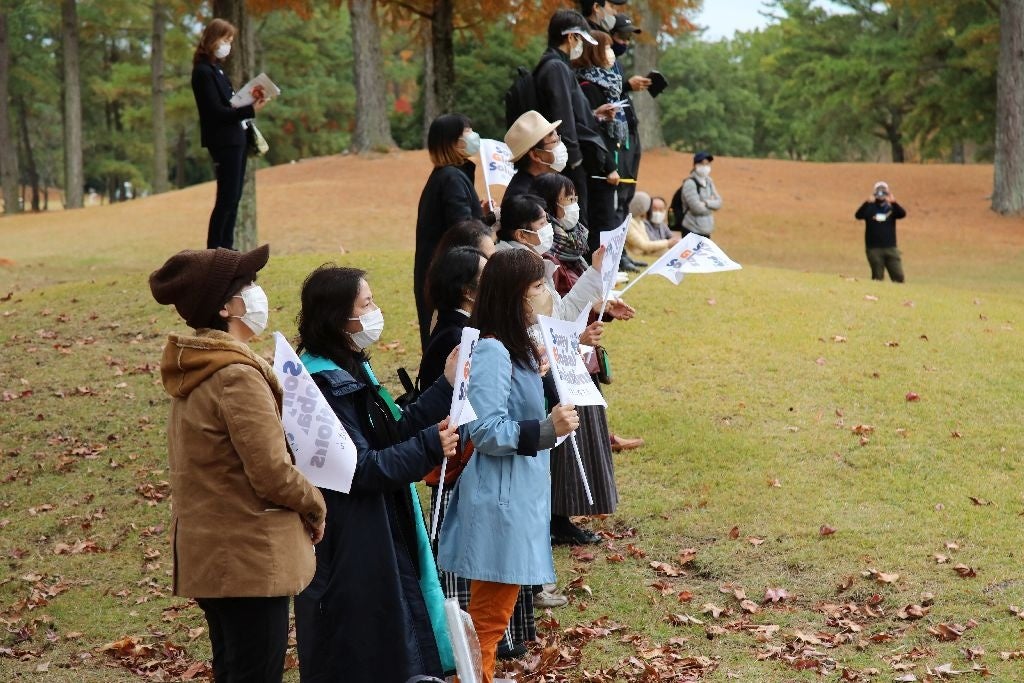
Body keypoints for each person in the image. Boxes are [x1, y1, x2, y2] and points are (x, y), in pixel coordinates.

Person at [148, 244, 326, 683]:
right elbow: (271, 472)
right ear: (226, 308)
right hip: (247, 558)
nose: (258, 292)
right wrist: (314, 504)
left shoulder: (200, 367)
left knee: (234, 669)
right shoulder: (236, 376)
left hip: (215, 555)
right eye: (248, 285)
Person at [292, 265, 461, 682]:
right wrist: (429, 446)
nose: (375, 312)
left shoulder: (352, 367)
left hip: (383, 523)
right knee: (369, 645)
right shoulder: (322, 386)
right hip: (353, 537)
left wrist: (446, 385)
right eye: (366, 304)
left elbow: (394, 429)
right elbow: (360, 468)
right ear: (338, 318)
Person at [437, 248, 581, 683]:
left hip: (517, 496)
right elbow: (485, 430)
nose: (546, 292)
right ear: (515, 295)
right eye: (538, 285)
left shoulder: (514, 349)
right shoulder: (493, 350)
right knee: (488, 621)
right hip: (500, 501)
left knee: (491, 619)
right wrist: (547, 428)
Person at [191, 19, 269, 250]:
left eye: (231, 41)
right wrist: (250, 109)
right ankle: (216, 248)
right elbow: (216, 112)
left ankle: (227, 246)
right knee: (226, 198)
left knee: (234, 198)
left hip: (237, 138)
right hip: (223, 141)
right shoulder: (203, 72)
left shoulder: (217, 70)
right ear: (213, 39)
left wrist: (248, 101)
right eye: (226, 40)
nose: (228, 45)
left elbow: (230, 104)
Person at [535, 10, 610, 232]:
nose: (581, 46)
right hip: (567, 159)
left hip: (564, 156)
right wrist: (575, 159)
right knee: (574, 222)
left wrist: (593, 114)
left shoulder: (557, 65)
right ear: (570, 37)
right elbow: (562, 115)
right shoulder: (556, 67)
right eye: (580, 39)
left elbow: (571, 110)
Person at [414, 113, 485, 351]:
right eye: (467, 132)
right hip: (451, 275)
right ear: (451, 141)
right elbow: (463, 229)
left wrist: (483, 216)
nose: (473, 136)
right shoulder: (452, 177)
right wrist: (488, 225)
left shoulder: (447, 175)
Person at [573, 30, 626, 254]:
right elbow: (592, 132)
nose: (611, 53)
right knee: (601, 220)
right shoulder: (587, 86)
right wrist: (610, 167)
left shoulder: (603, 84)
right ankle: (598, 268)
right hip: (597, 167)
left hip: (601, 163)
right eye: (607, 47)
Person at [504, 110, 564, 200]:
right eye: (555, 141)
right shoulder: (523, 199)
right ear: (535, 155)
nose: (561, 146)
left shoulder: (549, 183)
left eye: (559, 139)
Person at [854, 181, 907, 282]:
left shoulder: (891, 209)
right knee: (878, 277)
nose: (881, 194)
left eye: (884, 191)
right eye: (879, 191)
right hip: (874, 249)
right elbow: (858, 215)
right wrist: (867, 202)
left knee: (899, 276)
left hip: (891, 248)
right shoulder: (870, 208)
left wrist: (894, 202)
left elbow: (902, 214)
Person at [677, 151, 722, 237]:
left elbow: (719, 203)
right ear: (695, 165)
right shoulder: (690, 183)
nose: (705, 167)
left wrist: (705, 203)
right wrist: (712, 205)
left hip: (706, 229)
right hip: (692, 229)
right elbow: (696, 208)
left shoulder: (709, 181)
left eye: (707, 164)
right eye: (702, 164)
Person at [626, 191, 679, 258]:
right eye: (653, 208)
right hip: (635, 257)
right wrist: (668, 243)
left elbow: (647, 244)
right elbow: (645, 245)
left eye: (661, 209)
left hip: (644, 255)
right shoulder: (629, 223)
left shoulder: (640, 222)